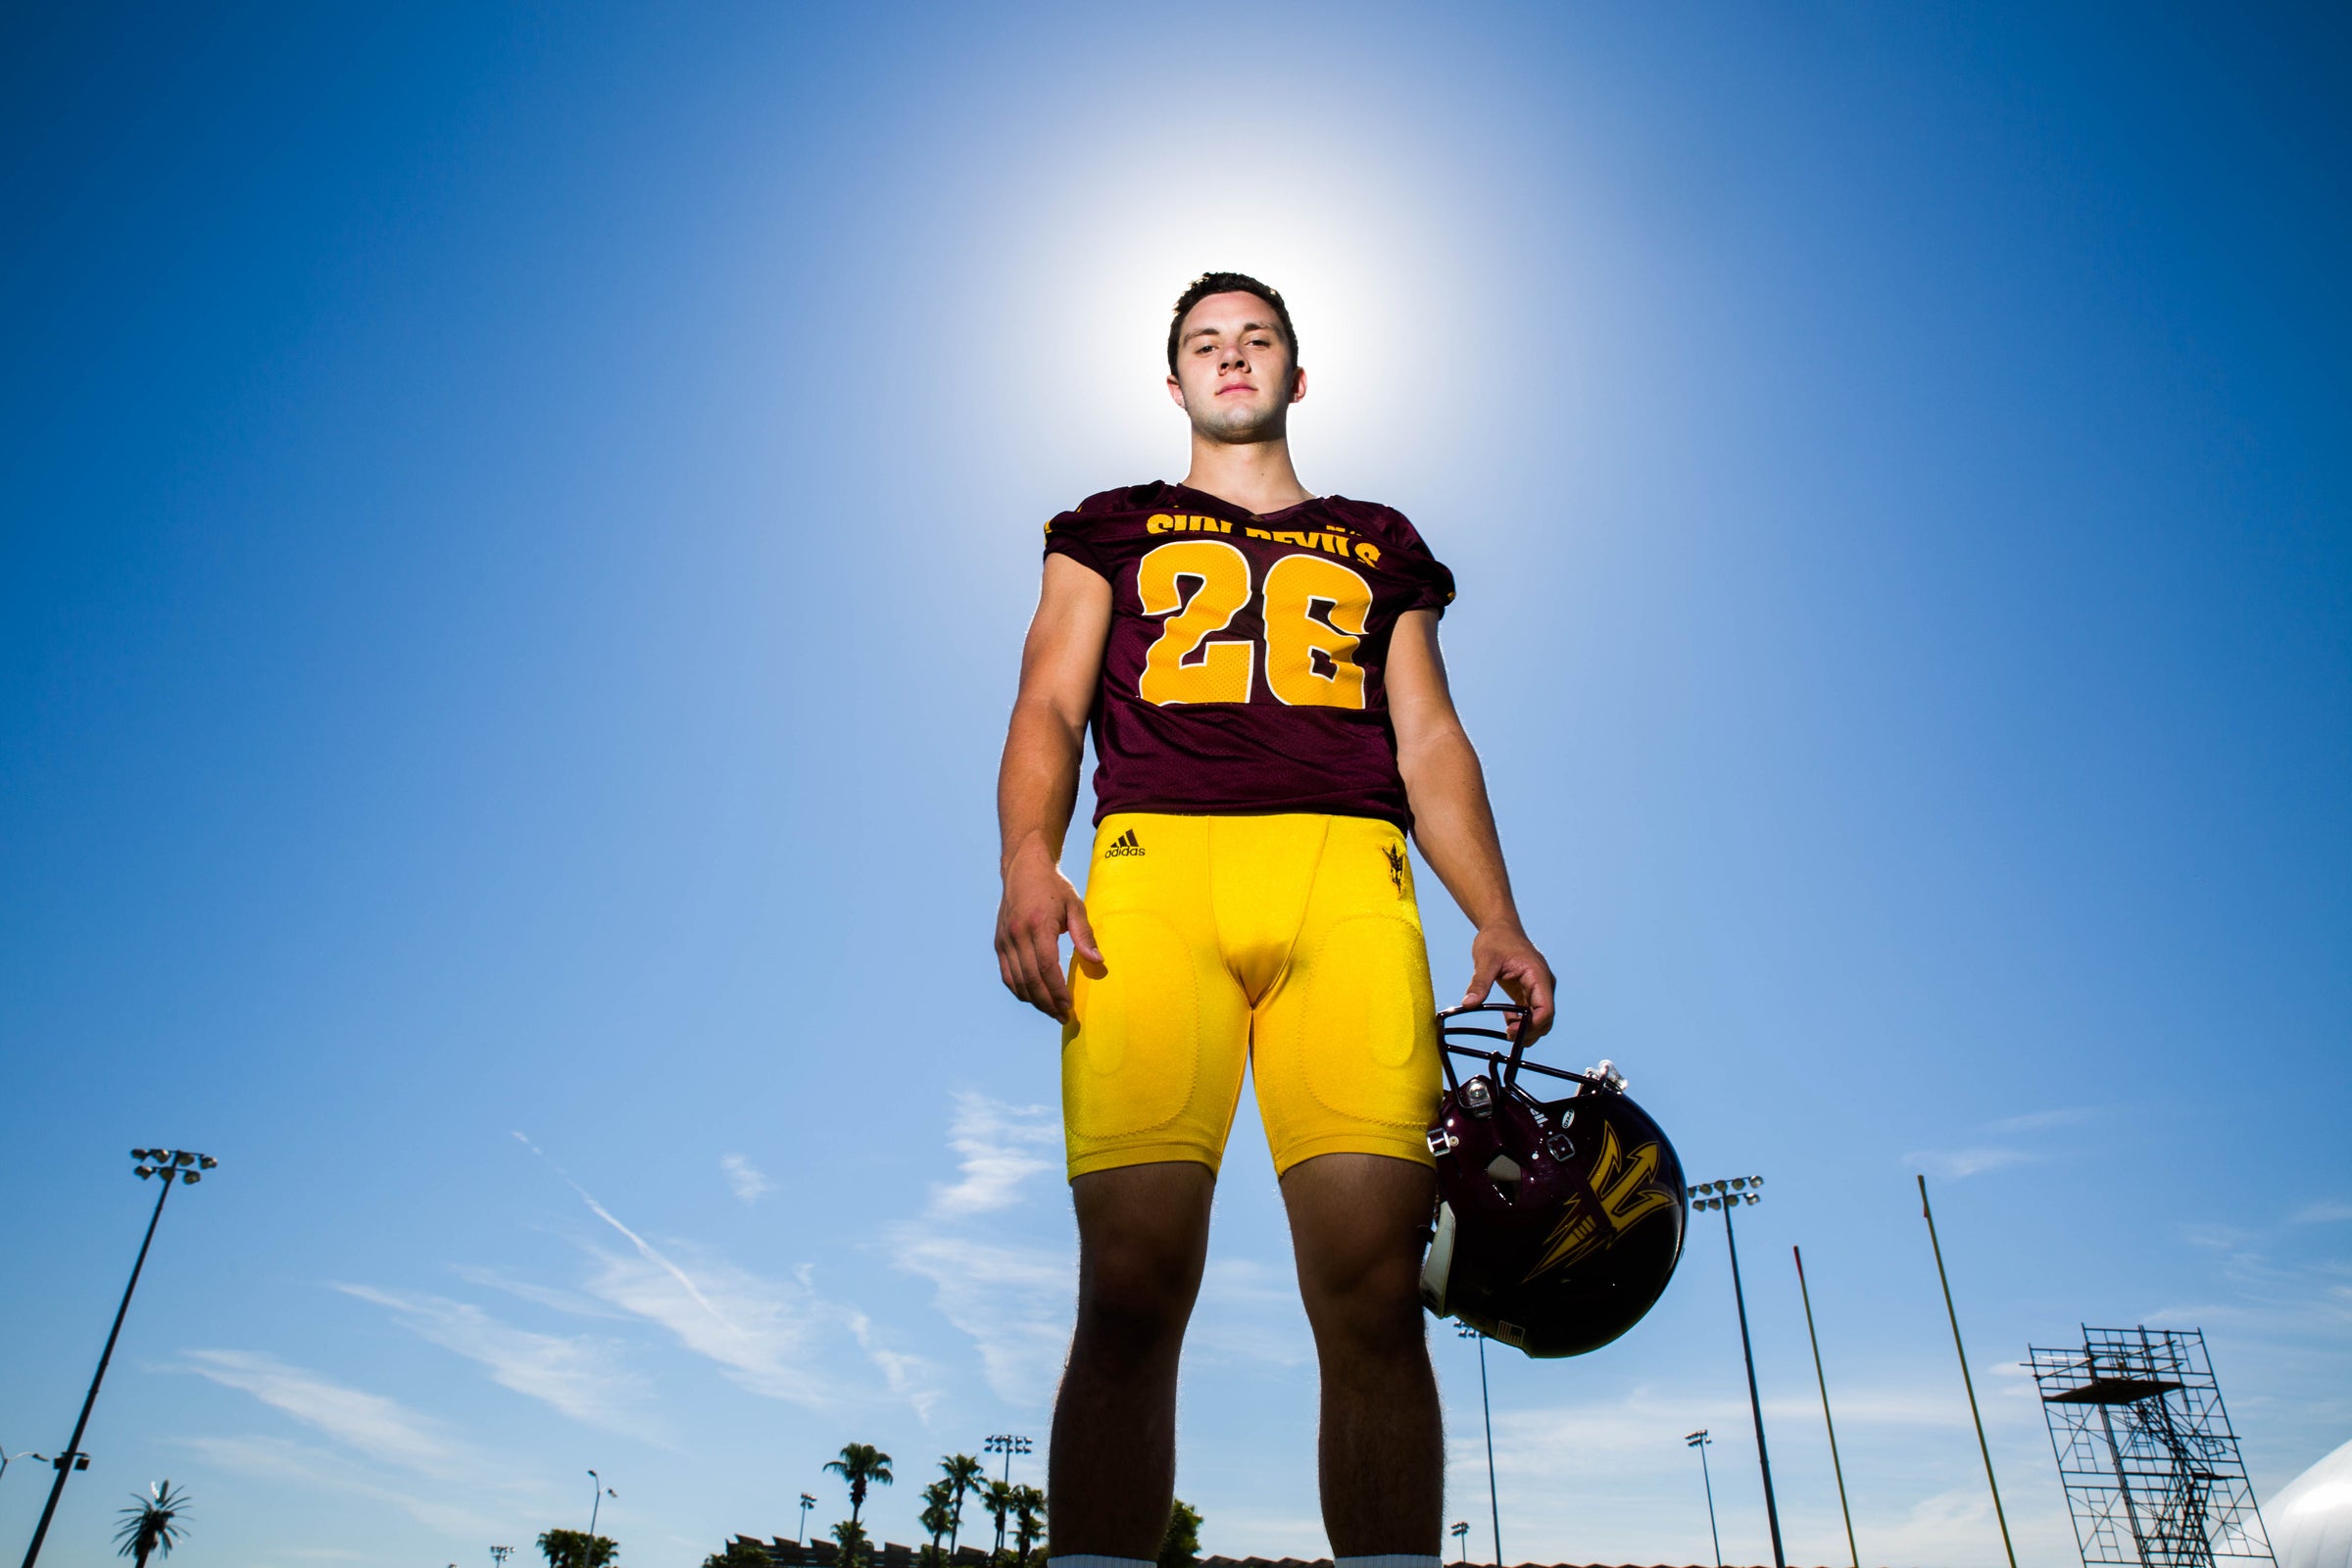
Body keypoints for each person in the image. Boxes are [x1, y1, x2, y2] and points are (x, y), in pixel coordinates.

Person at [994, 271, 1554, 1568]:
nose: (1232, 356)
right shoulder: (1109, 525)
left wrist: (1500, 917)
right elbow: (1046, 705)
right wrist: (1030, 857)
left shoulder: (1376, 535)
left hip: (1348, 888)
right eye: (1206, 342)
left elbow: (1430, 739)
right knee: (1127, 1288)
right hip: (1152, 880)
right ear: (1175, 382)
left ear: (1298, 377)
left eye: (1258, 340)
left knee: (1372, 1297)